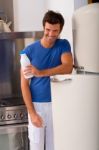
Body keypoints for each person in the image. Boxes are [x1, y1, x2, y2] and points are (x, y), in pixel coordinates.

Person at [20, 10, 73, 150]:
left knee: (55, 146)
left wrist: (41, 72)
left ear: (60, 30)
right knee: (36, 146)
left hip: (58, 105)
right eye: (48, 30)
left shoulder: (63, 45)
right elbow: (24, 84)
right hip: (37, 106)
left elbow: (68, 67)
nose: (51, 34)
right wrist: (32, 113)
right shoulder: (28, 52)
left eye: (55, 31)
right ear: (43, 27)